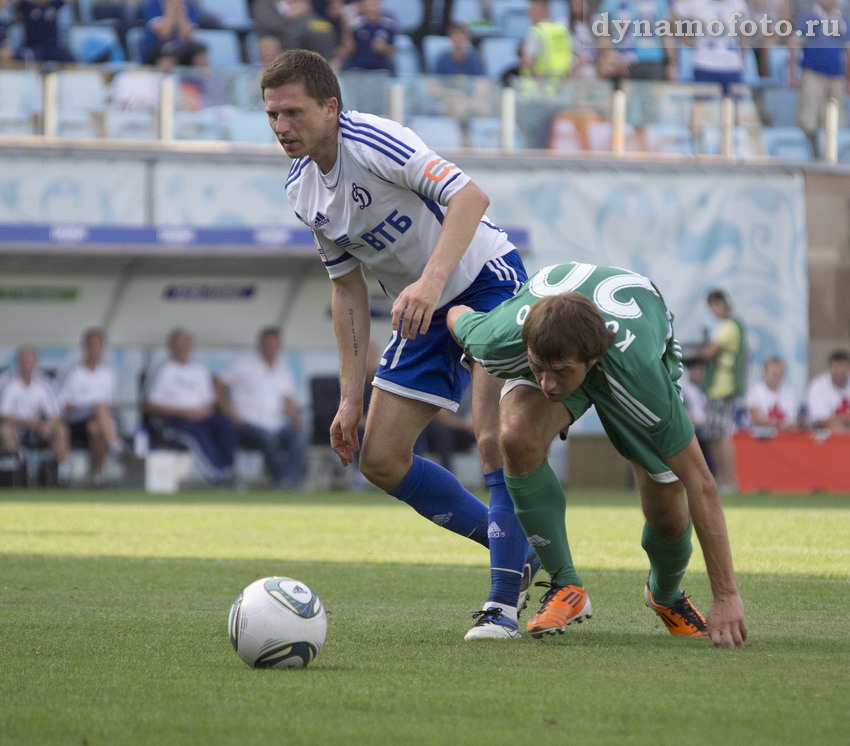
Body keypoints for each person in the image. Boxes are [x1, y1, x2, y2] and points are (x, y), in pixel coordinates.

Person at [264, 49, 536, 640]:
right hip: (423, 310)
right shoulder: (301, 190)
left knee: (494, 437)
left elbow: (470, 198)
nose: (282, 127)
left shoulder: (376, 141)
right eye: (272, 116)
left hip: (487, 283)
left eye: (293, 112)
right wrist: (348, 397)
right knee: (380, 459)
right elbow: (347, 291)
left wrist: (432, 280)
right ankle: (518, 549)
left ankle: (502, 603)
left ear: (331, 107)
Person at [447, 262, 749, 649]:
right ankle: (566, 584)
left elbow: (701, 483)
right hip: (560, 334)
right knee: (515, 435)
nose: (547, 385)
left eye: (559, 372)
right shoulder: (502, 336)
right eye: (537, 369)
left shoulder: (640, 377)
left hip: (628, 354)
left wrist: (725, 594)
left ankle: (666, 594)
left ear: (591, 362)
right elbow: (460, 315)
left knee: (669, 514)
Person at [216, 327, 309, 489]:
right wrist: (228, 410)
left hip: (275, 424)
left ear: (279, 347)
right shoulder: (244, 365)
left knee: (301, 434)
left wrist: (295, 418)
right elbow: (219, 384)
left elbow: (287, 400)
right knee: (268, 438)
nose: (270, 349)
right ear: (259, 345)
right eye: (267, 345)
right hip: (247, 424)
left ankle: (291, 479)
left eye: (274, 345)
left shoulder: (283, 371)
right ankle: (281, 480)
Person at [143, 327, 235, 484]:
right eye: (178, 344)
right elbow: (148, 404)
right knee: (194, 434)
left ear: (192, 346)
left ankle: (229, 470)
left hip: (200, 416)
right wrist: (185, 412)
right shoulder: (162, 368)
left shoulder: (199, 369)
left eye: (186, 344)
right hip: (171, 419)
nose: (182, 348)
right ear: (170, 346)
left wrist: (201, 411)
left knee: (225, 425)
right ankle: (217, 475)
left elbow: (210, 401)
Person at [54, 328, 124, 487]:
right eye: (91, 345)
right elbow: (59, 403)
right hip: (73, 418)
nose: (94, 349)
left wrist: (100, 409)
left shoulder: (108, 373)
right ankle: (115, 445)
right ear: (84, 346)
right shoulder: (70, 370)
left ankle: (99, 475)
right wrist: (88, 406)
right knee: (99, 407)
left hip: (97, 420)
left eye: (98, 345)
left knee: (95, 428)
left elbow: (112, 403)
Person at [700, 289, 747, 494]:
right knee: (716, 435)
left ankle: (729, 481)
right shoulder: (730, 325)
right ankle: (723, 480)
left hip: (723, 387)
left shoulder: (728, 326)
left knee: (721, 435)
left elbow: (709, 351)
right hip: (719, 388)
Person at [0, 347, 70, 484]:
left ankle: (62, 474)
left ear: (36, 363)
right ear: (17, 362)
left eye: (30, 361)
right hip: (17, 428)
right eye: (23, 361)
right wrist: (27, 422)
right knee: (5, 430)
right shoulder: (6, 381)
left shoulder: (45, 383)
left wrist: (46, 426)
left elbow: (55, 415)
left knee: (61, 430)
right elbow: (3, 415)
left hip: (38, 429)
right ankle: (14, 475)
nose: (26, 365)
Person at [788, 0, 850, 155]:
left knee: (836, 117)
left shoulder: (843, 20)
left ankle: (832, 153)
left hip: (836, 74)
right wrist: (792, 72)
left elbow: (848, 50)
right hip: (813, 72)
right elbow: (794, 43)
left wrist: (848, 77)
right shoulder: (809, 18)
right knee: (808, 116)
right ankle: (813, 152)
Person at [672, 0, 750, 96]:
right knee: (703, 108)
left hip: (732, 66)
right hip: (705, 65)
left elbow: (745, 31)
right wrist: (685, 38)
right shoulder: (696, 3)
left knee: (736, 107)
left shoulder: (739, 4)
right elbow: (675, 13)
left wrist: (742, 55)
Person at [251, 0, 336, 62]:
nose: (286, 8)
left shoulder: (297, 27)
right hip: (327, 72)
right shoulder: (324, 23)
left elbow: (289, 56)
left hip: (305, 73)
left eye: (291, 3)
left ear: (305, 3)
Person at [140, 0, 206, 69]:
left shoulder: (191, 6)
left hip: (180, 46)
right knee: (169, 50)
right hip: (156, 46)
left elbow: (186, 35)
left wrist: (180, 10)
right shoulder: (152, 4)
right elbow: (165, 33)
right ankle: (163, 78)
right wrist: (171, 8)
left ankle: (204, 78)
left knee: (199, 49)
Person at [520, 0, 573, 81]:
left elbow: (527, 61)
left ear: (540, 11)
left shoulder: (536, 31)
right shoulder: (562, 30)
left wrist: (538, 80)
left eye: (531, 11)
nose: (529, 15)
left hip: (539, 86)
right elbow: (575, 57)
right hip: (562, 84)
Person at [10, 0, 76, 63]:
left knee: (70, 59)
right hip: (34, 47)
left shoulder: (54, 5)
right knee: (22, 57)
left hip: (52, 47)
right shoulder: (27, 6)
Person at [342, 0, 395, 73]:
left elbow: (393, 50)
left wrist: (384, 48)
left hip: (381, 69)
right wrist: (346, 29)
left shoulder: (388, 24)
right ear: (363, 4)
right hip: (358, 68)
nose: (372, 5)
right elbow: (349, 49)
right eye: (369, 2)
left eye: (375, 2)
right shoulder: (355, 24)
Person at [747, 357, 799, 430]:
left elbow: (794, 421)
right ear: (765, 373)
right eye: (774, 373)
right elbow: (758, 420)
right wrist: (780, 424)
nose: (777, 376)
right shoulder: (755, 390)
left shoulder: (790, 392)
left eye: (780, 373)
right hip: (762, 437)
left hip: (786, 436)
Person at [806, 349, 850, 431]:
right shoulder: (818, 385)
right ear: (829, 368)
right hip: (824, 434)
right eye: (836, 367)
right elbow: (822, 420)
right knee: (836, 426)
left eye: (843, 367)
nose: (839, 371)